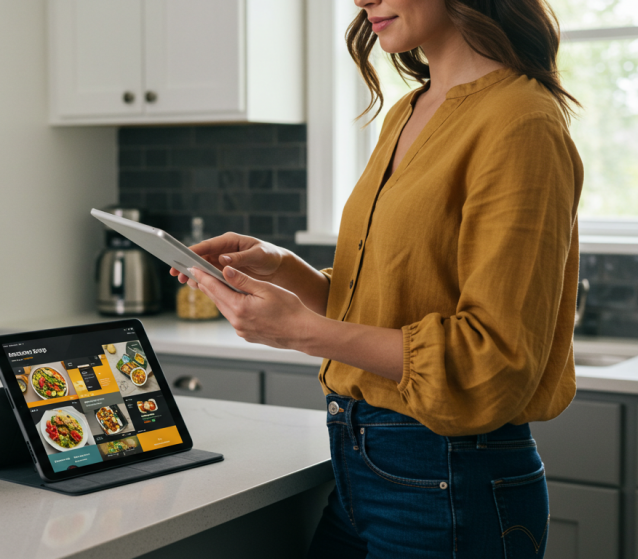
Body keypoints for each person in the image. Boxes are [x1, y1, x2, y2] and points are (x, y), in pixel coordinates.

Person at [171, 0, 582, 557]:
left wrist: (299, 331)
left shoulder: (520, 121)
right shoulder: (410, 110)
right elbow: (394, 304)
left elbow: (494, 359)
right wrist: (290, 272)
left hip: (450, 479)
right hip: (361, 464)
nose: (362, 0)